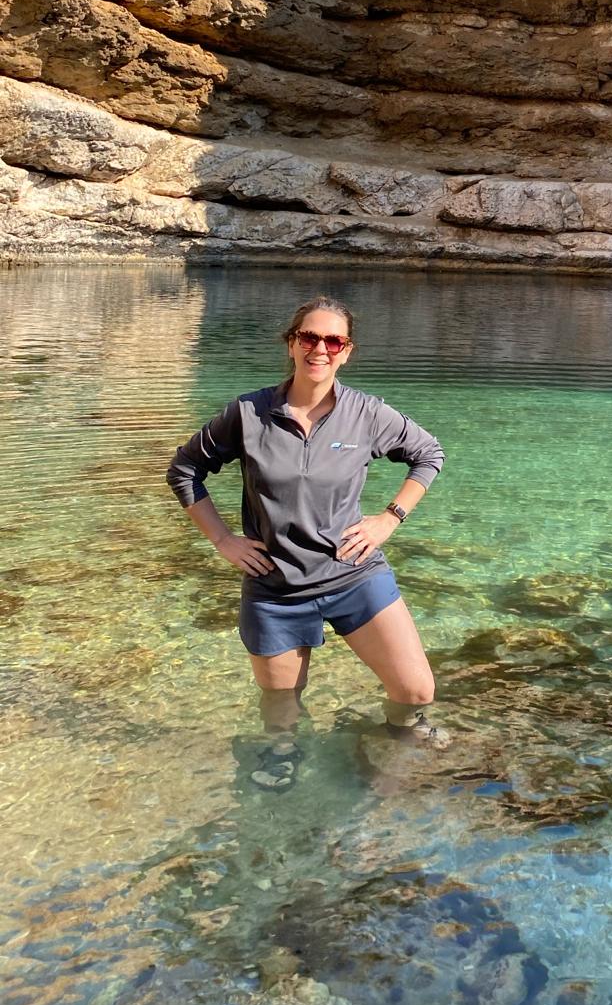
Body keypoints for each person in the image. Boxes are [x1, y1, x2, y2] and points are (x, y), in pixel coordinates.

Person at [167, 294, 448, 756]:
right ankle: (288, 775)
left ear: (347, 351)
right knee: (281, 721)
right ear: (291, 344)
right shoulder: (248, 414)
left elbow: (429, 454)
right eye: (309, 337)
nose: (320, 349)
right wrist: (222, 539)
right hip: (275, 589)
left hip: (353, 574)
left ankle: (398, 733)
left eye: (334, 341)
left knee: (416, 691)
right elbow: (184, 470)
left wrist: (389, 518)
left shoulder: (367, 414)